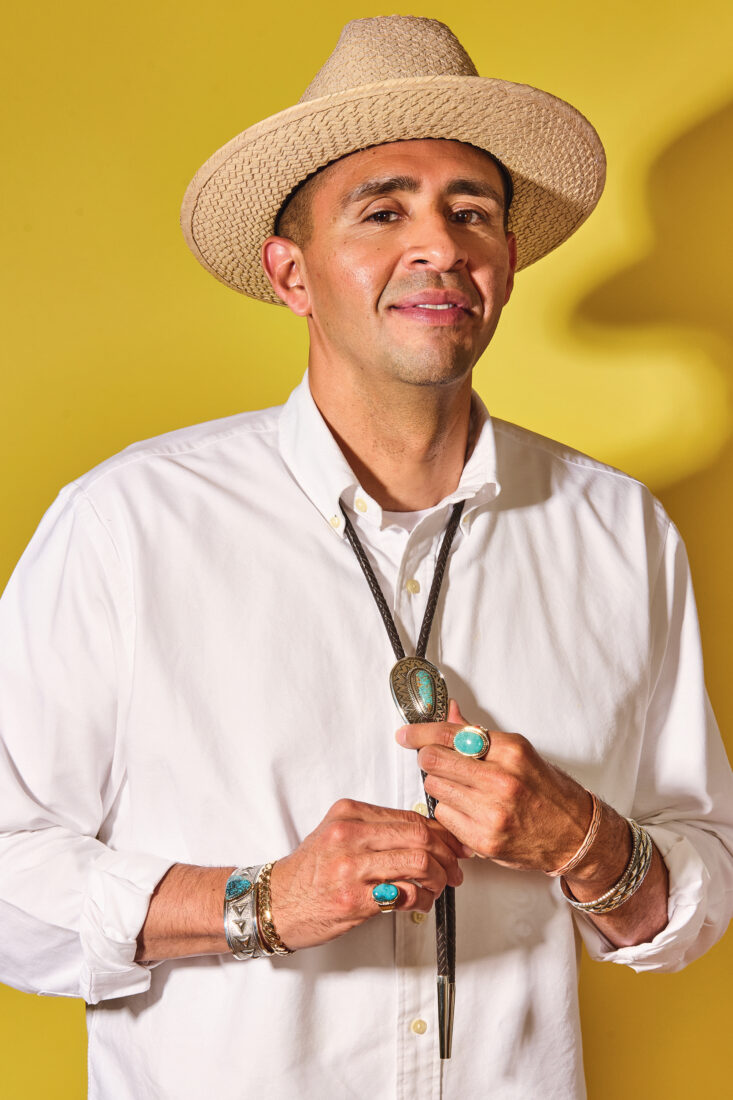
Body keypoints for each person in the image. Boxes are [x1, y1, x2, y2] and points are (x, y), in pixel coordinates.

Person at [1, 14, 731, 1099]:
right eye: (383, 209)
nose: (438, 244)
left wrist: (586, 842)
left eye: (469, 211)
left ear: (507, 261)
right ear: (291, 273)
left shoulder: (618, 529)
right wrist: (259, 901)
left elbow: (695, 890)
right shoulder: (127, 523)